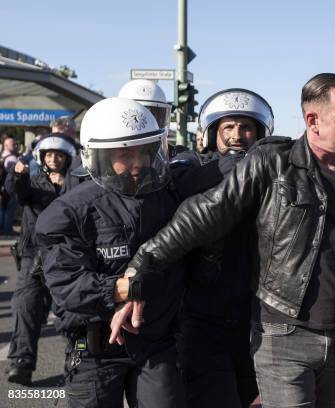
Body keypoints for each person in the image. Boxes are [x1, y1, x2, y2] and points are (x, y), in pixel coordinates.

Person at [111, 73, 335, 408]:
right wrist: (142, 265)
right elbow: (202, 216)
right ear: (313, 121)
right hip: (284, 336)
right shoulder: (273, 163)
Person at [35, 97, 223, 407]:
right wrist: (126, 288)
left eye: (144, 152)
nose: (138, 163)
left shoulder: (168, 198)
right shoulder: (70, 212)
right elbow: (68, 286)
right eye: (125, 154)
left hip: (156, 344)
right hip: (93, 348)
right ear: (99, 157)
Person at [171, 88, 274, 407]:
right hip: (202, 313)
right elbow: (182, 188)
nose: (237, 135)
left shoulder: (274, 172)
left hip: (254, 314)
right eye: (228, 127)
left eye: (245, 128)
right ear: (213, 132)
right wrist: (239, 167)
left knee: (245, 394)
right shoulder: (190, 171)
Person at [5, 133, 78, 385]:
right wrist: (18, 174)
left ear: (67, 158)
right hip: (33, 257)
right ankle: (21, 363)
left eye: (59, 155)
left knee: (74, 313)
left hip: (67, 258)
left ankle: (78, 363)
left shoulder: (76, 184)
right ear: (42, 157)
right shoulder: (32, 182)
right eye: (49, 155)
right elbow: (16, 192)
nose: (54, 159)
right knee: (25, 307)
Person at [1, 134, 20, 234]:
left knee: (4, 209)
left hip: (4, 187)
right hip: (11, 186)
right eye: (13, 144)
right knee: (9, 209)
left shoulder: (3, 156)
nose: (15, 145)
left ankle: (4, 229)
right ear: (6, 146)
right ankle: (7, 230)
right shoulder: (12, 158)